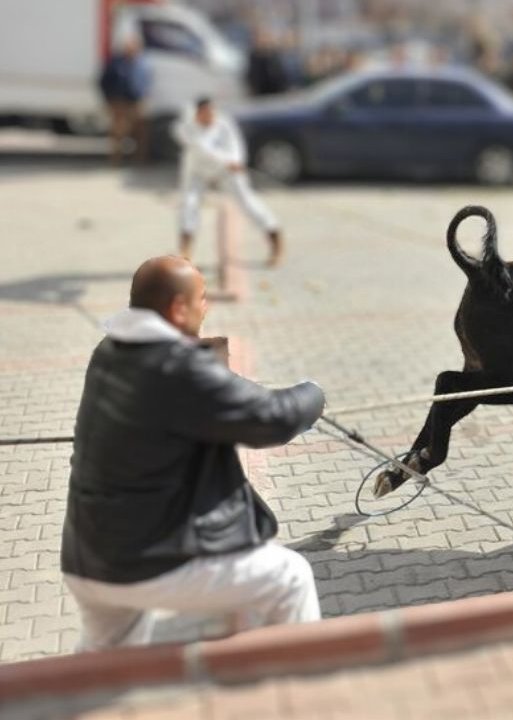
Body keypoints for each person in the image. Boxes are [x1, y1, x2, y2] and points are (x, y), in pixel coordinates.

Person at [61, 256, 327, 651]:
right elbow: (274, 419)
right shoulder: (177, 366)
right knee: (290, 577)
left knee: (103, 663)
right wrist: (313, 392)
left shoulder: (110, 351)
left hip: (87, 559)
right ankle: (302, 696)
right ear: (177, 308)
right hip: (147, 562)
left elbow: (210, 402)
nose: (206, 308)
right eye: (201, 299)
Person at [172, 97, 284, 266]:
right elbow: (201, 148)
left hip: (227, 171)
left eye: (211, 112)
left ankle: (275, 238)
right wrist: (227, 162)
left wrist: (237, 161)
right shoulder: (185, 128)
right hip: (198, 170)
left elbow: (236, 144)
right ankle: (185, 252)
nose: (208, 117)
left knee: (248, 202)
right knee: (189, 204)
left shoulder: (224, 123)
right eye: (203, 113)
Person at [98, 35, 152, 165]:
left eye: (133, 47)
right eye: (129, 47)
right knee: (118, 133)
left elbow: (146, 82)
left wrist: (144, 96)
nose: (131, 50)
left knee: (140, 133)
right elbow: (103, 82)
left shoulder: (142, 64)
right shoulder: (116, 63)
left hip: (136, 102)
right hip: (119, 102)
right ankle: (116, 160)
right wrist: (109, 99)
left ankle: (140, 160)